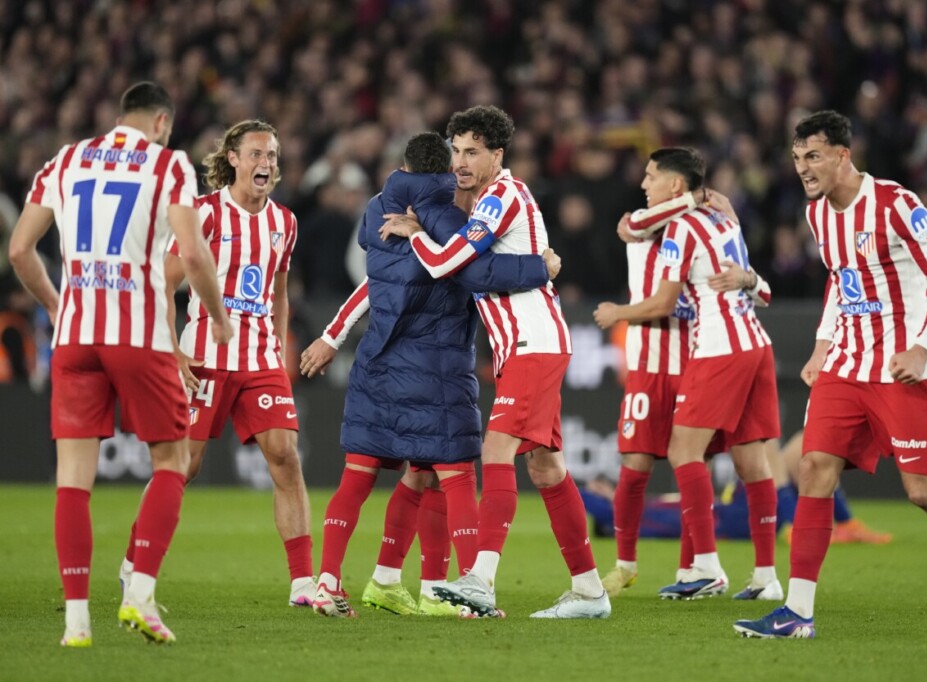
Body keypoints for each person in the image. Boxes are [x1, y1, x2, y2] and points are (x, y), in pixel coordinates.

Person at [735, 110, 927, 640]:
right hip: (846, 363)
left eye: (813, 156)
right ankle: (798, 613)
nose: (803, 168)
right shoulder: (817, 213)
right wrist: (822, 347)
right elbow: (841, 283)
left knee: (924, 491)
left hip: (901, 370)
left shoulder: (896, 204)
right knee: (814, 467)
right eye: (797, 159)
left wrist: (921, 347)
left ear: (843, 155)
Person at [8, 82, 232, 646]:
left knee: (72, 482)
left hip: (76, 335)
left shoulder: (65, 159)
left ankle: (75, 623)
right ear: (160, 122)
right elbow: (193, 253)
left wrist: (58, 304)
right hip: (139, 333)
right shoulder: (169, 165)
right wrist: (218, 317)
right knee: (172, 460)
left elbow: (17, 250)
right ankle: (138, 594)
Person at [301, 131, 555, 618]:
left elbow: (374, 285)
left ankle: (342, 581)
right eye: (457, 160)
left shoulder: (378, 207)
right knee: (454, 476)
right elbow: (477, 274)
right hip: (434, 366)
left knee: (371, 475)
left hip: (378, 361)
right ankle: (455, 594)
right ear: (444, 170)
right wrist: (538, 267)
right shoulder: (447, 216)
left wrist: (332, 337)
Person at [382, 105, 610, 619]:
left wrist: (415, 232)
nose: (460, 162)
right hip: (524, 346)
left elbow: (447, 265)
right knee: (548, 469)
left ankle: (482, 578)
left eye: (472, 152)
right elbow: (478, 267)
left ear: (496, 155)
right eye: (456, 151)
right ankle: (591, 590)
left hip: (534, 341)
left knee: (497, 448)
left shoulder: (502, 195)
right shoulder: (490, 199)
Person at [119, 120, 316, 608]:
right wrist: (172, 347)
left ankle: (302, 583)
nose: (266, 163)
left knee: (285, 457)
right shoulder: (204, 215)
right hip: (202, 357)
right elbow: (163, 283)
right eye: (256, 154)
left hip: (261, 359)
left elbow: (278, 291)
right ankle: (132, 563)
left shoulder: (285, 223)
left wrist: (280, 347)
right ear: (232, 158)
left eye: (272, 155)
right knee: (181, 467)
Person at [593, 147, 782, 602]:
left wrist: (618, 312)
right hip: (756, 343)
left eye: (652, 176)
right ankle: (766, 577)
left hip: (718, 348)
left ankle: (707, 566)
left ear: (676, 187)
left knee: (682, 451)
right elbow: (763, 290)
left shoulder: (680, 226)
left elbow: (662, 302)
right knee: (751, 463)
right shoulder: (726, 218)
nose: (644, 184)